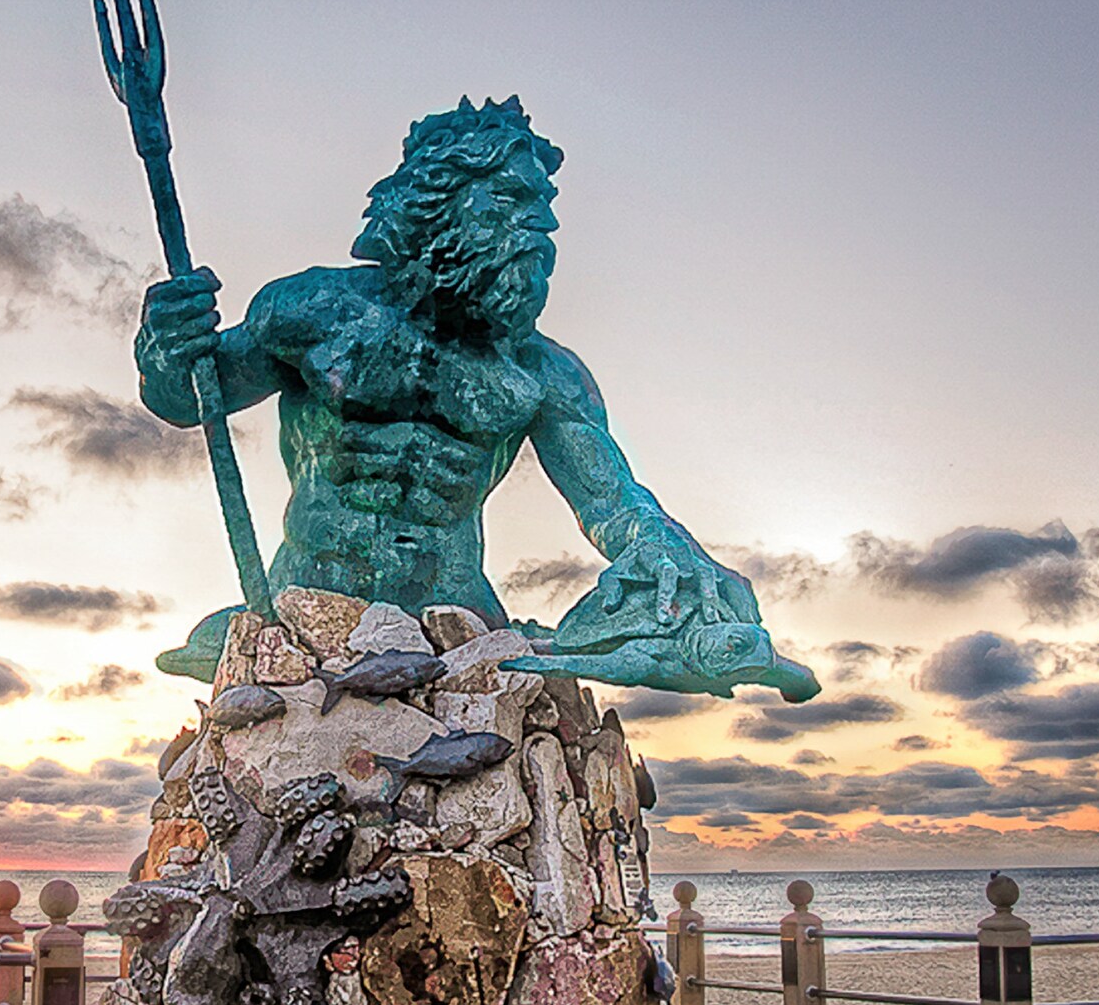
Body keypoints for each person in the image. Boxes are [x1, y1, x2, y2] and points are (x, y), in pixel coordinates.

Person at [136, 95, 761, 644]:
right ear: (444, 197)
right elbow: (192, 398)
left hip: (458, 623)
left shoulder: (542, 374)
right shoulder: (315, 311)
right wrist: (166, 345)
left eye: (544, 209)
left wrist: (662, 545)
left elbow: (614, 503)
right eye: (515, 200)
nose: (542, 227)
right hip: (304, 612)